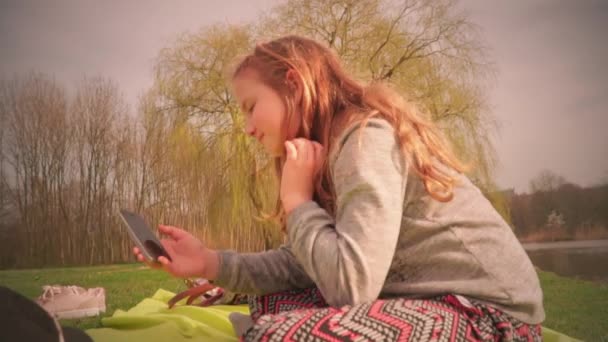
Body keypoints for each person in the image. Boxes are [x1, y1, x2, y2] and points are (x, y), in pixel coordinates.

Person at [134, 35, 544, 341]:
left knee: (277, 334)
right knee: (268, 302)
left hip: (492, 319)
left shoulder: (365, 139)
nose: (248, 128)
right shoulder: (325, 153)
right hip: (429, 300)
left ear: (293, 84)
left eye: (251, 107)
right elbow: (303, 264)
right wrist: (209, 262)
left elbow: (351, 286)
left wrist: (297, 202)